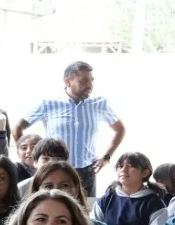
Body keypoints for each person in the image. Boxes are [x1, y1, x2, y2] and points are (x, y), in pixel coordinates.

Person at [13, 61, 125, 197]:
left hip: (87, 172)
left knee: (84, 212)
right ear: (67, 81)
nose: (90, 85)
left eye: (92, 80)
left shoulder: (99, 104)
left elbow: (120, 130)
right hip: (55, 171)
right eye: (83, 81)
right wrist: (31, 158)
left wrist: (106, 157)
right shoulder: (49, 104)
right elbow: (18, 128)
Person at [99, 151, 169, 225]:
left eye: (130, 166)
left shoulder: (154, 203)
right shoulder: (107, 198)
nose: (123, 170)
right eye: (120, 166)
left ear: (145, 173)